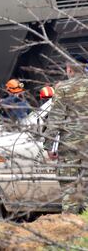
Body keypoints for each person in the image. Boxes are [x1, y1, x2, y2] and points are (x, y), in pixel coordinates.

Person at [44, 60, 88, 214]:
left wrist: (49, 146)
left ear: (69, 69)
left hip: (70, 146)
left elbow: (55, 119)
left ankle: (71, 226)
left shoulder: (64, 88)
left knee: (69, 188)